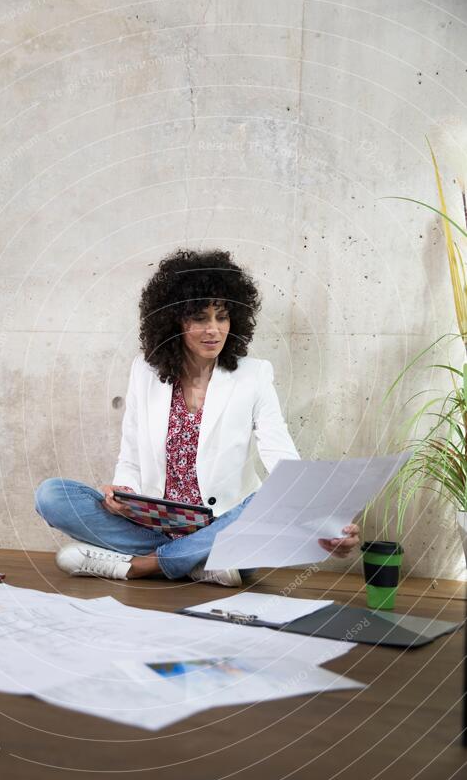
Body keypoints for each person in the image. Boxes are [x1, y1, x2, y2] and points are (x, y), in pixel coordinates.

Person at [35, 249, 360, 586]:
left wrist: (323, 522)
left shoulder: (254, 375)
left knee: (266, 499)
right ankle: (196, 561)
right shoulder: (144, 372)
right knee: (51, 496)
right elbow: (130, 455)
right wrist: (122, 495)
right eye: (200, 318)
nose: (214, 330)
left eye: (222, 317)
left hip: (223, 524)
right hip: (154, 524)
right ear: (175, 320)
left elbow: (283, 460)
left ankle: (139, 566)